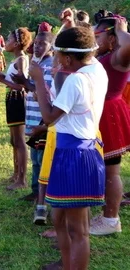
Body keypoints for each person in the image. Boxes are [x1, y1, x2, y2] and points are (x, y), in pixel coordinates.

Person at [31, 26, 107, 270]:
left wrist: (39, 80)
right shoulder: (96, 69)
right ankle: (67, 264)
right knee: (59, 217)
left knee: (78, 229)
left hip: (75, 154)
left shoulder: (76, 80)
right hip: (74, 151)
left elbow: (50, 116)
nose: (55, 59)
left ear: (68, 57)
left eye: (57, 55)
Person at [89, 16, 130, 235]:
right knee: (105, 170)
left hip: (109, 116)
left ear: (112, 37)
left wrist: (121, 28)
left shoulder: (118, 57)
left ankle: (110, 220)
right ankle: (107, 214)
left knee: (111, 172)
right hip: (101, 113)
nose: (95, 38)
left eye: (98, 34)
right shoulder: (107, 55)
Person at [12, 30, 55, 224]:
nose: (36, 46)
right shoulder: (37, 63)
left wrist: (25, 82)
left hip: (43, 121)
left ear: (51, 47)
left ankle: (42, 197)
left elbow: (42, 94)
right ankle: (35, 192)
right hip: (34, 117)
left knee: (42, 158)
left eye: (42, 44)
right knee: (36, 159)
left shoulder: (49, 66)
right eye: (36, 43)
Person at [0, 28, 32, 191]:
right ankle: (16, 174)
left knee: (20, 141)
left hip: (17, 99)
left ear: (16, 44)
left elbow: (22, 85)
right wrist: (3, 77)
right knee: (13, 140)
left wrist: (3, 80)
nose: (5, 43)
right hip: (11, 99)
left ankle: (22, 179)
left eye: (7, 40)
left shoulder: (21, 60)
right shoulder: (16, 60)